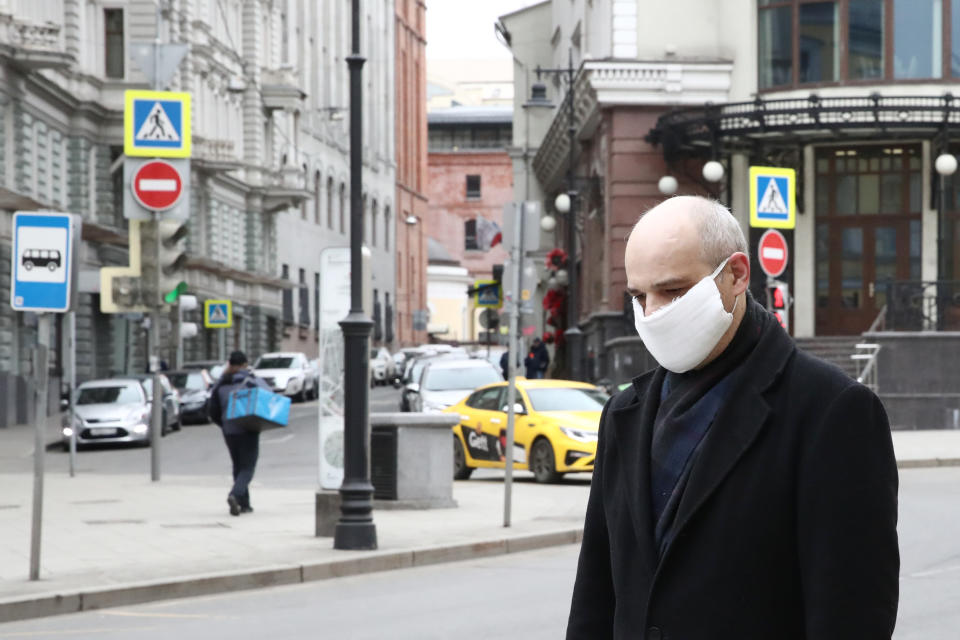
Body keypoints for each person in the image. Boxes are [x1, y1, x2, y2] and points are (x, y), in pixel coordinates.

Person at [567, 196, 898, 639]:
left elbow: (852, 615)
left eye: (672, 291)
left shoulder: (832, 412)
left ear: (737, 274)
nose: (651, 314)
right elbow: (595, 595)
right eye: (638, 296)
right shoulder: (623, 414)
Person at [207, 350, 270, 516]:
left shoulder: (221, 384)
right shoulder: (251, 380)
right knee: (248, 467)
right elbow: (268, 397)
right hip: (248, 428)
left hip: (229, 431)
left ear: (229, 364)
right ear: (244, 365)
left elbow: (213, 411)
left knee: (238, 466)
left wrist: (225, 424)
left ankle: (244, 504)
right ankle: (234, 495)